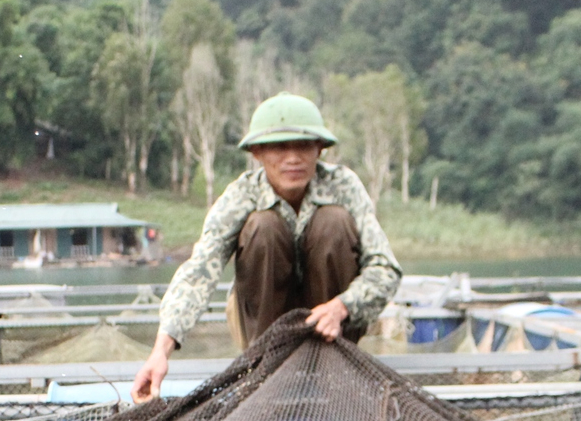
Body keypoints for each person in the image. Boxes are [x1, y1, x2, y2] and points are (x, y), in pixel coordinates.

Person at [131, 93, 402, 402]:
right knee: (263, 226)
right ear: (258, 153)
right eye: (279, 147)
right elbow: (199, 271)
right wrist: (160, 351)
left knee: (333, 222)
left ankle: (334, 362)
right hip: (262, 327)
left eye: (303, 146)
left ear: (320, 150)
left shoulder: (343, 186)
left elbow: (385, 268)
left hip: (333, 326)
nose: (293, 158)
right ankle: (263, 369)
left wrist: (342, 306)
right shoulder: (241, 195)